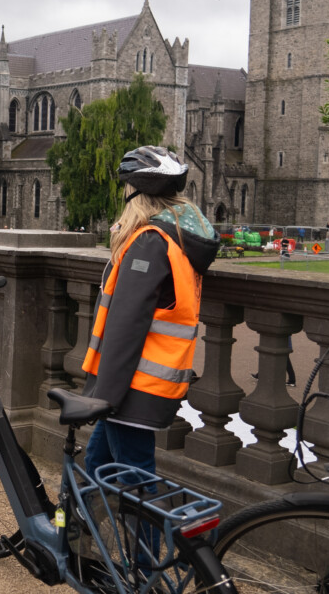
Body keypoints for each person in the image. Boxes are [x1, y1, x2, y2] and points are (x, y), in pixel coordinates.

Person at [82, 146, 218, 481]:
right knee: (97, 463)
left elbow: (127, 325)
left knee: (135, 478)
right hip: (149, 380)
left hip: (132, 386)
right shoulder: (177, 238)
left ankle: (146, 535)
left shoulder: (149, 242)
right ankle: (80, 529)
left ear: (136, 193)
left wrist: (105, 396)